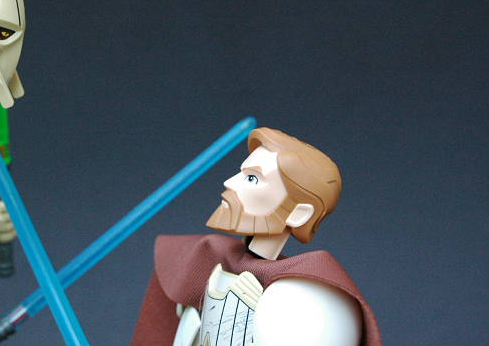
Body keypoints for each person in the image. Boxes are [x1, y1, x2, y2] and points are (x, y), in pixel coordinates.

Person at [130, 127, 381, 346]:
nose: (230, 183)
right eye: (241, 173)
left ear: (298, 213)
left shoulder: (304, 299)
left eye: (252, 178)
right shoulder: (206, 260)